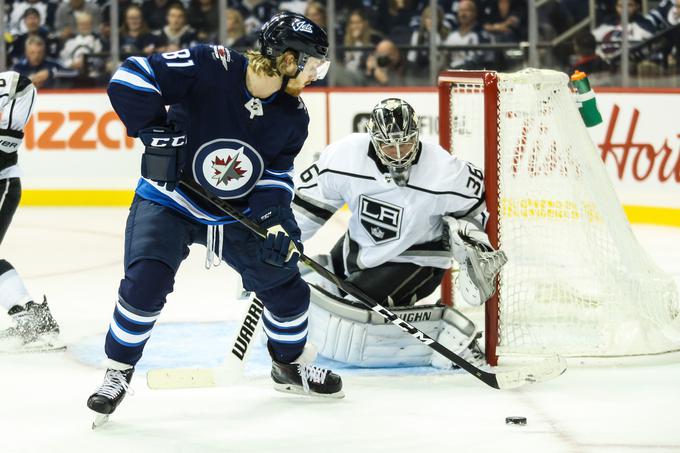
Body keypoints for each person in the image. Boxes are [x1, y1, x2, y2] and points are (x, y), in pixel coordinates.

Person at [86, 12, 341, 423]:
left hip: (235, 214)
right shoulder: (211, 64)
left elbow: (275, 176)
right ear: (288, 58)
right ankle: (117, 373)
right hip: (170, 200)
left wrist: (276, 223)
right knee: (145, 284)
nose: (316, 75)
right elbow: (131, 76)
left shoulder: (293, 116)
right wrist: (153, 130)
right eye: (313, 64)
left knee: (288, 289)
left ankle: (287, 367)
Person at [292, 98, 507, 368]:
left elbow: (479, 207)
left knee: (352, 313)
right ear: (373, 138)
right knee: (307, 283)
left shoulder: (444, 171)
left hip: (417, 260)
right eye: (388, 145)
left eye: (405, 143)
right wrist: (282, 241)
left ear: (417, 136)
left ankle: (456, 339)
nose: (398, 153)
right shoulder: (343, 156)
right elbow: (308, 206)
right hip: (357, 251)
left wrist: (472, 240)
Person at [0, 71, 62, 352]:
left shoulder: (9, 83)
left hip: (3, 183)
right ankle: (31, 317)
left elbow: (21, 84)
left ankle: (32, 318)